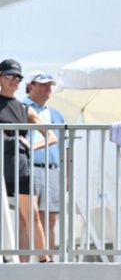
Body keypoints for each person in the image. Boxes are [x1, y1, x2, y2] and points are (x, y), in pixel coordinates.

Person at [0, 58, 49, 261]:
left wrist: (33, 145)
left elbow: (50, 134)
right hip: (1, 165)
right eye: (9, 75)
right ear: (1, 78)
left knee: (32, 215)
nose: (14, 80)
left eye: (18, 77)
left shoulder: (24, 109)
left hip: (20, 165)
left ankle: (45, 260)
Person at [23, 71, 65, 251]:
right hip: (28, 167)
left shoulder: (57, 115)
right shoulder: (20, 108)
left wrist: (67, 176)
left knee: (51, 218)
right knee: (28, 217)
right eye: (43, 84)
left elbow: (64, 147)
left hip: (53, 170)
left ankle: (48, 262)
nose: (48, 88)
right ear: (30, 86)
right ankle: (24, 262)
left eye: (50, 85)